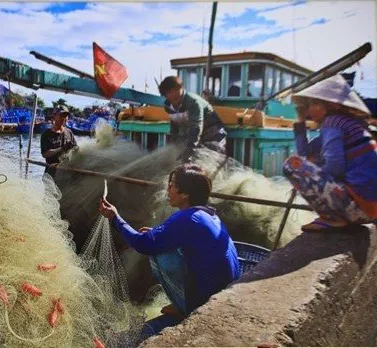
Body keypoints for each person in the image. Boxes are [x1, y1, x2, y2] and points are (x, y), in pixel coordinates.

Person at [98, 164, 240, 338]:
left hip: (207, 299)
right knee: (161, 244)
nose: (168, 189)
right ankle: (184, 306)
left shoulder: (187, 218)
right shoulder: (208, 215)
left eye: (172, 185)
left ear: (185, 194)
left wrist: (115, 218)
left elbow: (143, 244)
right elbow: (177, 238)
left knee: (156, 250)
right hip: (223, 291)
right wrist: (154, 235)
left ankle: (187, 309)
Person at [282, 75, 377, 232]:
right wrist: (300, 120)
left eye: (314, 104)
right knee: (311, 160)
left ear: (329, 106)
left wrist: (313, 184)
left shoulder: (332, 123)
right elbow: (305, 153)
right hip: (371, 211)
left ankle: (333, 217)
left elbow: (335, 167)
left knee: (291, 164)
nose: (308, 110)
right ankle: (338, 214)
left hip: (358, 208)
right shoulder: (346, 122)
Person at [159, 76, 228, 162]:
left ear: (181, 88)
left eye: (176, 89)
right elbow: (174, 128)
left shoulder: (193, 102)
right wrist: (174, 144)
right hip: (195, 137)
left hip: (213, 133)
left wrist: (190, 149)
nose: (174, 93)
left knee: (215, 156)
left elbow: (196, 127)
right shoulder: (168, 107)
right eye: (169, 92)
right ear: (165, 95)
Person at [40, 105, 78, 178]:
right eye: (61, 115)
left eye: (65, 116)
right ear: (54, 116)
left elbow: (75, 149)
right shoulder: (46, 134)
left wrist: (75, 148)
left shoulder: (69, 132)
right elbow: (45, 154)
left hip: (66, 174)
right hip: (51, 173)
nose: (63, 118)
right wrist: (61, 149)